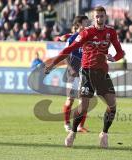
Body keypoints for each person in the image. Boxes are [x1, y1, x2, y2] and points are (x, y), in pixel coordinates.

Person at [45, 6, 124, 148]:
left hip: (102, 73)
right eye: (97, 16)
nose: (99, 19)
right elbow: (68, 49)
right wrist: (52, 64)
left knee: (112, 105)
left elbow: (120, 52)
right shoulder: (87, 32)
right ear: (94, 18)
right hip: (87, 72)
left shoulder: (110, 32)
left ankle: (104, 134)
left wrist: (114, 58)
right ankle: (73, 132)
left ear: (105, 17)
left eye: (102, 16)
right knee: (84, 107)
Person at [63, 15, 90, 133]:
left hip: (84, 74)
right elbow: (64, 55)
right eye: (85, 22)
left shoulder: (89, 38)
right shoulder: (72, 39)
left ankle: (79, 126)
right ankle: (67, 123)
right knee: (70, 100)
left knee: (83, 102)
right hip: (73, 75)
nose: (88, 24)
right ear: (79, 24)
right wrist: (71, 69)